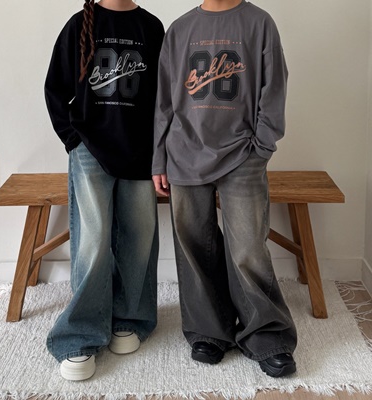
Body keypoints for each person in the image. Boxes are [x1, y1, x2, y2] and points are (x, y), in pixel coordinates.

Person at [152, 0, 297, 378]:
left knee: (248, 248)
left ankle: (267, 335)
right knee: (194, 246)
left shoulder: (259, 23)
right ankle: (209, 331)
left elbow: (274, 88)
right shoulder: (179, 29)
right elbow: (163, 101)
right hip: (184, 155)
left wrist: (262, 147)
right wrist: (158, 158)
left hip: (243, 154)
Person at [44, 0, 164, 381]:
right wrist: (73, 141)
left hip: (140, 153)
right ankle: (80, 333)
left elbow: (163, 99)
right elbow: (54, 88)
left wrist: (161, 153)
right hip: (90, 152)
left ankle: (130, 317)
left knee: (139, 237)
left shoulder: (151, 28)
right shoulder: (79, 25)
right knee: (92, 242)